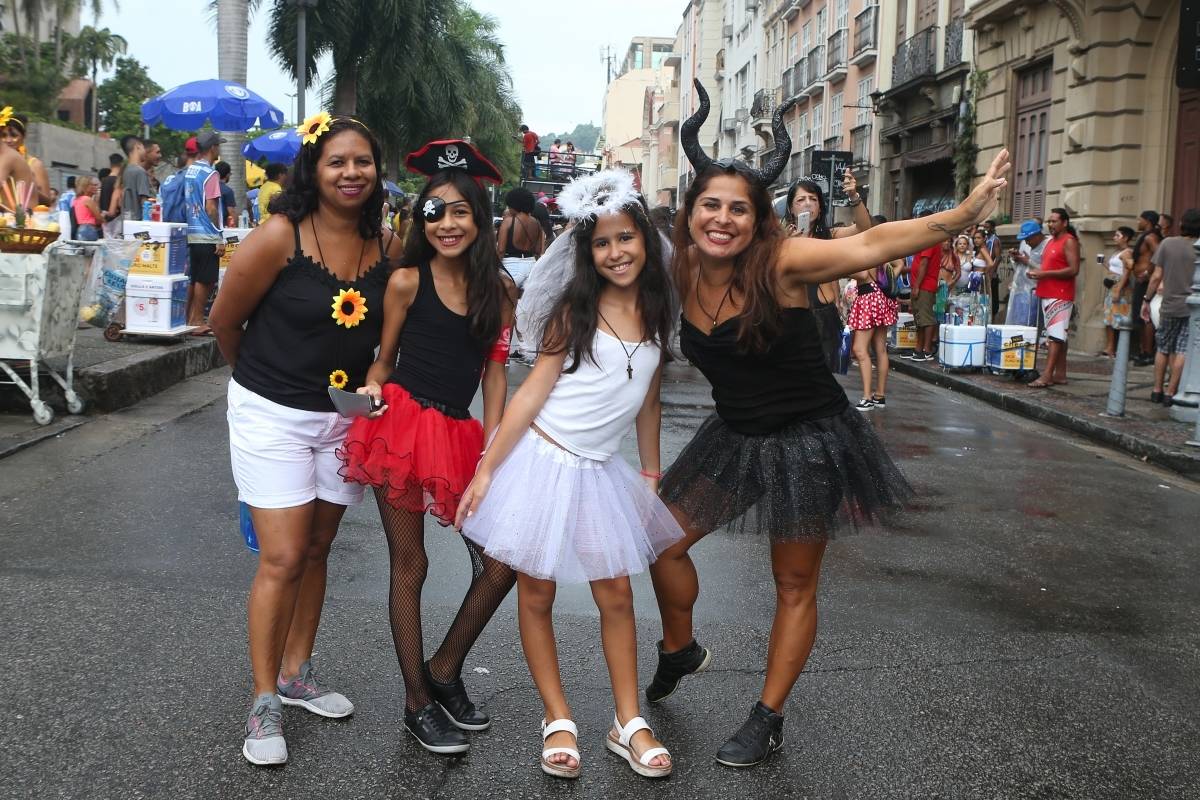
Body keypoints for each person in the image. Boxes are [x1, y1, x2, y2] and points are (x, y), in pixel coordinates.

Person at [646, 80, 1008, 769]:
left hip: (808, 439)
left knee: (793, 584)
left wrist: (963, 212)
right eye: (711, 205)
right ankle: (680, 647)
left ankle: (767, 716)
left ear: (759, 219)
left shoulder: (785, 262)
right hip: (733, 436)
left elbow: (873, 243)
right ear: (691, 212)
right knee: (662, 542)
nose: (722, 219)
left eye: (739, 209)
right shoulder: (680, 268)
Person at [457, 171, 680, 780]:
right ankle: (557, 717)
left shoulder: (659, 312)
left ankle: (628, 721)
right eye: (602, 243)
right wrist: (487, 470)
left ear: (645, 239)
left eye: (626, 238)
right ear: (587, 252)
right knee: (537, 593)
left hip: (603, 471)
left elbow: (649, 399)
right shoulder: (573, 313)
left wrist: (651, 471)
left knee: (617, 595)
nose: (616, 252)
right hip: (544, 462)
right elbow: (531, 396)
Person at [209, 113, 401, 767]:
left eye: (363, 161)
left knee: (318, 548)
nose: (351, 173)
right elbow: (224, 321)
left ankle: (296, 674)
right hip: (271, 414)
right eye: (336, 161)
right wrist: (267, 388)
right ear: (313, 170)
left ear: (376, 171)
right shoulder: (278, 236)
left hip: (343, 417)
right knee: (284, 556)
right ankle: (264, 700)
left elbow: (394, 328)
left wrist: (376, 379)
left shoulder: (386, 243)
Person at [336, 138, 518, 756]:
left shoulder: (498, 289)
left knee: (500, 564)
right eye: (435, 211)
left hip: (461, 437)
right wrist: (370, 389)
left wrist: (493, 451)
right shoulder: (406, 281)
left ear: (479, 219)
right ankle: (417, 701)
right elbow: (383, 361)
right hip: (399, 429)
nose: (448, 224)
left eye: (461, 211)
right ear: (422, 219)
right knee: (411, 565)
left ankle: (444, 667)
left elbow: (495, 376)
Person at [782, 169, 874, 370]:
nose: (808, 204)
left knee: (822, 377)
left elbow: (863, 229)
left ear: (820, 207)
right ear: (791, 208)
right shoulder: (780, 240)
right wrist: (788, 246)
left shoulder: (830, 235)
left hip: (825, 318)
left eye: (813, 199)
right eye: (801, 200)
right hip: (793, 318)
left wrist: (853, 196)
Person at [1143, 208, 1199, 405]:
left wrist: (1147, 299)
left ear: (1181, 224)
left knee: (1163, 348)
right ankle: (1171, 392)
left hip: (1170, 305)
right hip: (1192, 308)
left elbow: (1156, 276)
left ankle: (1156, 390)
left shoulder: (1168, 243)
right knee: (1183, 350)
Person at [847, 215, 902, 410]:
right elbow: (900, 264)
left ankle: (867, 397)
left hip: (868, 297)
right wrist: (886, 281)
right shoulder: (882, 248)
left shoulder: (864, 248)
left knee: (859, 349)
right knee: (880, 349)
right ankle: (879, 395)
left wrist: (843, 269)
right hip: (881, 297)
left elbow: (862, 273)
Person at [1027, 208, 1080, 388]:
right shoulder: (1051, 241)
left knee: (1055, 337)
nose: (1050, 224)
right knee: (1058, 335)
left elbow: (1073, 269)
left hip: (1060, 294)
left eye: (1054, 221)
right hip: (1047, 292)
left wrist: (1044, 273)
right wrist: (1037, 273)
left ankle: (1047, 375)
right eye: (1049, 221)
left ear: (1064, 223)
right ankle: (1060, 374)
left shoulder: (1069, 241)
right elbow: (1049, 265)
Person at [184, 132, 226, 333]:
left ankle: (187, 317)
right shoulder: (211, 174)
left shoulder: (190, 171)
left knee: (194, 277)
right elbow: (211, 208)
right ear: (212, 148)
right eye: (218, 146)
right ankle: (197, 319)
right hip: (207, 233)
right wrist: (218, 235)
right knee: (206, 278)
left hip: (192, 231)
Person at [907, 211, 942, 362]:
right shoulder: (926, 238)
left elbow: (924, 263)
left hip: (924, 285)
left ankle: (927, 350)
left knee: (926, 318)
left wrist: (916, 286)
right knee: (920, 318)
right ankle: (918, 348)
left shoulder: (930, 239)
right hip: (921, 284)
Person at [497, 186, 545, 291]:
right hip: (531, 266)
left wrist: (494, 267)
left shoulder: (508, 221)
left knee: (502, 298)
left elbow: (501, 250)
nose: (509, 209)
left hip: (511, 267)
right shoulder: (537, 223)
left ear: (514, 204)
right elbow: (538, 250)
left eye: (509, 206)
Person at [1130, 210, 1162, 366]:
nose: (1138, 222)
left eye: (1140, 219)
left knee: (1146, 317)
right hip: (1141, 282)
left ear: (1148, 220)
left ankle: (1148, 352)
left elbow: (1160, 255)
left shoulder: (1151, 237)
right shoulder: (1144, 236)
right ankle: (1143, 351)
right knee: (1141, 318)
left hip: (1147, 283)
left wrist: (1148, 272)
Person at [1101, 226, 1136, 358]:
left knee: (1119, 317)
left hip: (1120, 287)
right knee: (1109, 316)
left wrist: (1119, 290)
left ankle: (1116, 347)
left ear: (1125, 238)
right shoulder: (1117, 252)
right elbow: (1115, 270)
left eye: (1117, 235)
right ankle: (1110, 347)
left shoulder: (1127, 253)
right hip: (1113, 285)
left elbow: (1127, 272)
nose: (1114, 238)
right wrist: (1104, 263)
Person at [1, 111, 51, 203]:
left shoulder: (34, 164)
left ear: (24, 136)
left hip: (24, 211)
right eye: (3, 136)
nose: (8, 140)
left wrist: (27, 187)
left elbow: (48, 201)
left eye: (14, 135)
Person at [99, 152, 124, 238]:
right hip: (116, 221)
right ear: (121, 164)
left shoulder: (104, 181)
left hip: (105, 220)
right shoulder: (119, 182)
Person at [71, 175, 103, 241]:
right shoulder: (87, 199)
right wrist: (105, 219)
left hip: (80, 229)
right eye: (91, 185)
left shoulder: (76, 199)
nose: (95, 187)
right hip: (89, 229)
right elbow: (98, 218)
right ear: (85, 186)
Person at [214, 161, 237, 227]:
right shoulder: (228, 191)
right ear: (227, 175)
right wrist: (238, 224)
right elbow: (231, 211)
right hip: (222, 226)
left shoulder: (209, 188)